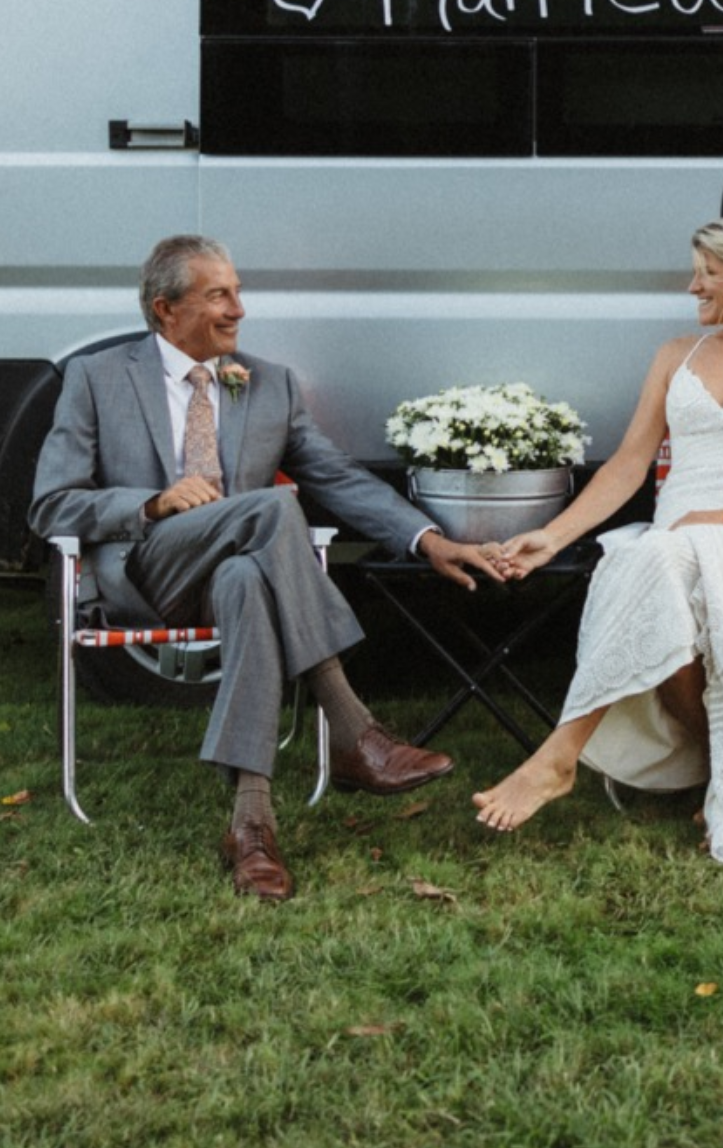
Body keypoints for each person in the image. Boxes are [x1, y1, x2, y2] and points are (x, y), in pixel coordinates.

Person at [30, 234, 502, 901]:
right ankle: (352, 728)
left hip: (232, 580)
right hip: (145, 573)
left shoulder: (269, 382)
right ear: (165, 309)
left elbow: (337, 479)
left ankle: (251, 829)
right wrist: (152, 503)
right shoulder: (97, 379)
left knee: (248, 578)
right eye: (217, 294)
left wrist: (426, 539)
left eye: (237, 292)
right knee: (277, 512)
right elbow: (50, 506)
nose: (238, 310)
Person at [471, 214, 723, 866]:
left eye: (708, 274)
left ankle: (557, 757)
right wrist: (551, 535)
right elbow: (629, 464)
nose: (693, 287)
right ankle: (711, 765)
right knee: (656, 559)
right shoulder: (675, 356)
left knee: (657, 557)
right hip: (674, 546)